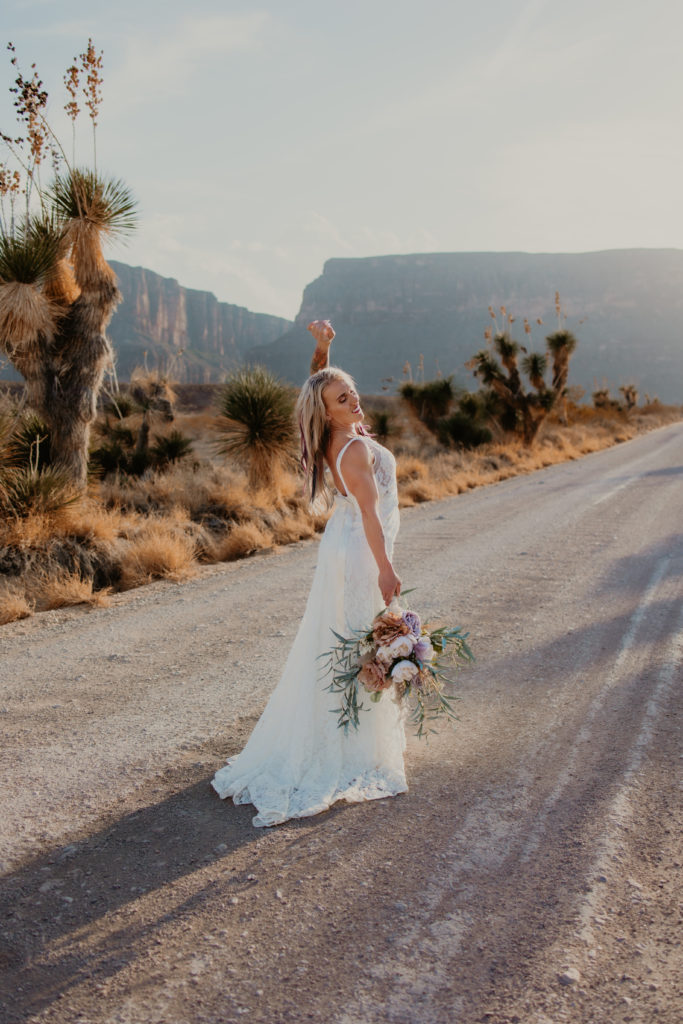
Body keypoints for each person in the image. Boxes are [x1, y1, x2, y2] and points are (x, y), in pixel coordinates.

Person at [212, 319, 407, 826]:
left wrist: (322, 352)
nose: (354, 401)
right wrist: (387, 569)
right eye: (344, 399)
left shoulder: (328, 438)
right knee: (360, 640)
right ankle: (349, 746)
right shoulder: (357, 448)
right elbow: (370, 513)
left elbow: (315, 391)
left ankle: (333, 731)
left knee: (339, 637)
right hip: (361, 549)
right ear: (327, 411)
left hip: (339, 549)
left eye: (354, 393)